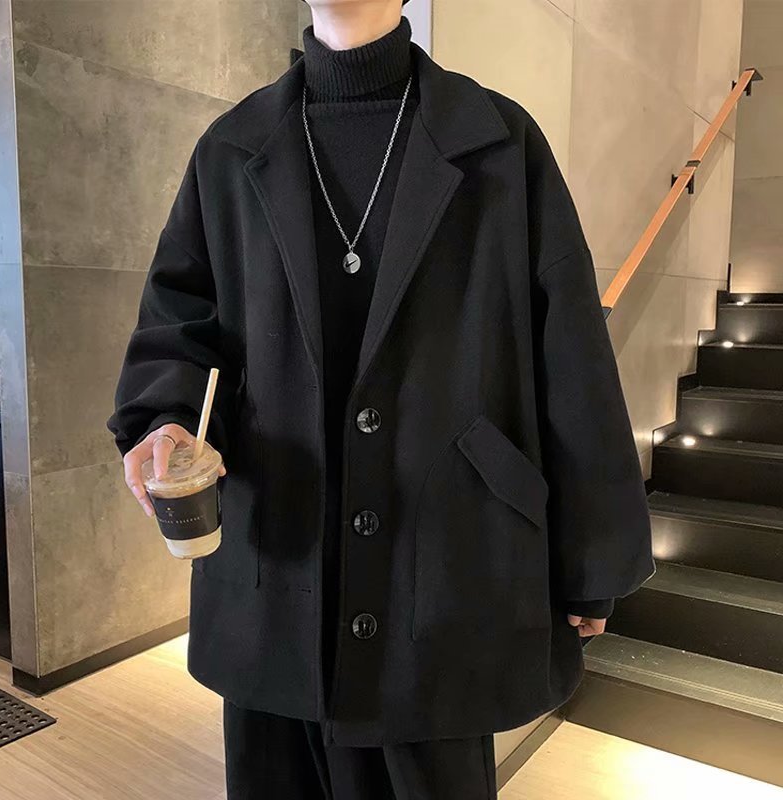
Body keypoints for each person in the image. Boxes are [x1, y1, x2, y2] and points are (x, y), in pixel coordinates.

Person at [106, 1, 655, 797]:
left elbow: (570, 352)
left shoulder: (500, 141)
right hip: (278, 567)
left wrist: (591, 557)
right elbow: (180, 322)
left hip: (446, 568)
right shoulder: (230, 148)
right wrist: (164, 418)